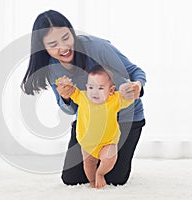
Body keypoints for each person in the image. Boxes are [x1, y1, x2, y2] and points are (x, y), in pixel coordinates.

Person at [21, 10, 146, 186]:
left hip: (124, 117)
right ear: (43, 47)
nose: (63, 47)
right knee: (72, 179)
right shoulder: (52, 67)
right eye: (53, 44)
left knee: (115, 179)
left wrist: (137, 86)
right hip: (90, 123)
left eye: (66, 37)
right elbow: (69, 109)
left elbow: (135, 71)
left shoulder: (96, 47)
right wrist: (66, 98)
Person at [56, 65, 134, 188]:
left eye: (101, 88)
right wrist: (63, 83)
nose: (95, 92)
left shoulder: (115, 100)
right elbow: (69, 91)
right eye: (91, 87)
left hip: (107, 141)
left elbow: (128, 97)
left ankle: (100, 173)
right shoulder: (82, 97)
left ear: (111, 90)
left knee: (109, 158)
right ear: (86, 87)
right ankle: (92, 181)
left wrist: (129, 89)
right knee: (88, 164)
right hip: (87, 142)